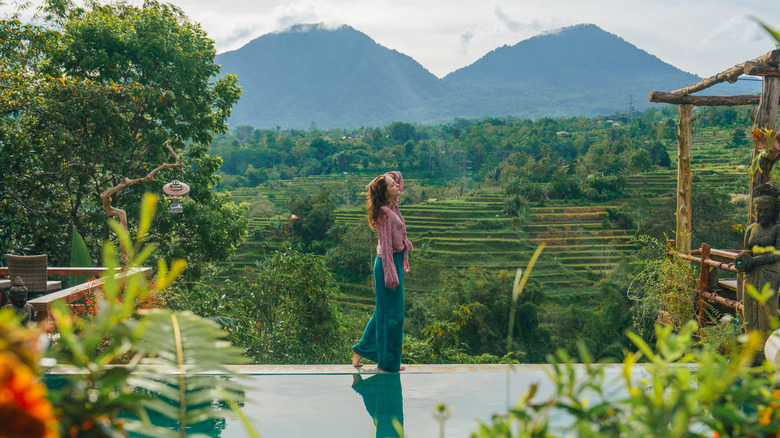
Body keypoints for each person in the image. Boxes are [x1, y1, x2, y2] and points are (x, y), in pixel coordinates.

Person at [352, 171, 413, 372]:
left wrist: (381, 180)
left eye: (395, 183)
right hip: (388, 264)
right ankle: (389, 362)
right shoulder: (383, 213)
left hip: (394, 261)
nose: (397, 185)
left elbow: (399, 175)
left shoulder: (391, 203)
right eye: (391, 184)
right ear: (384, 192)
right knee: (394, 315)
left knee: (385, 311)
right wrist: (391, 275)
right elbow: (386, 247)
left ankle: (360, 350)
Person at [737, 182, 780, 333]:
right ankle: (750, 336)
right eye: (758, 210)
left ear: (774, 210)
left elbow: (777, 254)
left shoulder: (777, 229)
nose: (761, 214)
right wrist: (742, 259)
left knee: (765, 305)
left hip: (770, 271)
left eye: (766, 211)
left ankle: (765, 342)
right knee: (749, 303)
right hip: (751, 272)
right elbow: (747, 250)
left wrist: (754, 261)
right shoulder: (751, 229)